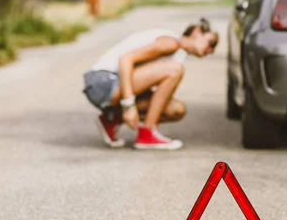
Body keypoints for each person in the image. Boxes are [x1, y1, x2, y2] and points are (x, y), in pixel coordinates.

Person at [83, 18, 219, 150]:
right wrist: (128, 106)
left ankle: (111, 119)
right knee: (175, 69)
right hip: (102, 81)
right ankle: (147, 134)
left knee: (176, 109)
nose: (211, 50)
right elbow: (125, 59)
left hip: (112, 87)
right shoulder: (171, 43)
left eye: (214, 48)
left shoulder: (178, 55)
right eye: (211, 43)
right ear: (197, 32)